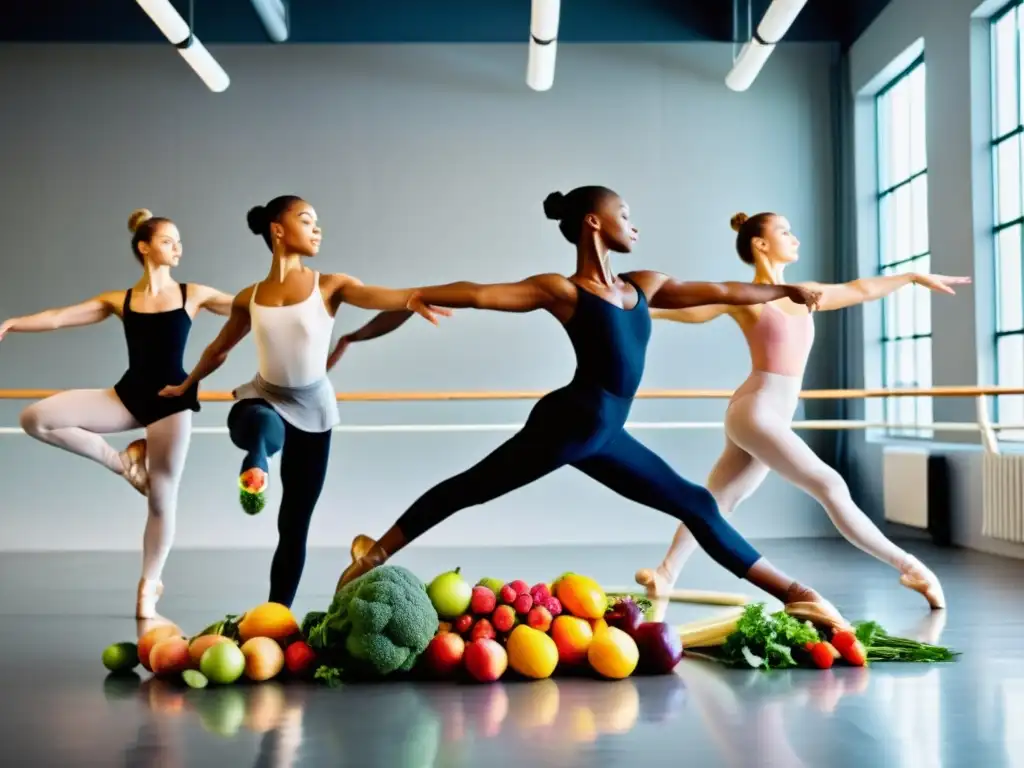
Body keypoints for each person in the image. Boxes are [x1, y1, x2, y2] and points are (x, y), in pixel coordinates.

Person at [334, 185, 851, 631]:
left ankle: (796, 596)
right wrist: (413, 296)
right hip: (567, 423)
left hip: (605, 432)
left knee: (696, 503)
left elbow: (719, 288)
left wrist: (782, 288)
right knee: (468, 489)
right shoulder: (561, 290)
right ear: (593, 222)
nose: (634, 226)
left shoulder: (642, 284)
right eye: (624, 215)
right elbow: (478, 292)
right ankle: (372, 556)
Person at [634, 211, 971, 610]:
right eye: (784, 232)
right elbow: (681, 311)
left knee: (716, 501)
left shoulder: (805, 293)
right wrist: (623, 305)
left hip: (768, 415)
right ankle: (911, 567)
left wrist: (911, 277)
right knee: (830, 486)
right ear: (760, 244)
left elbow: (860, 289)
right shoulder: (744, 297)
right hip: (754, 411)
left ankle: (665, 573)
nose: (795, 238)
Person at [159, 195, 448, 608]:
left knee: (293, 526)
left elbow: (378, 296)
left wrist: (411, 298)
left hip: (313, 412)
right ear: (277, 230)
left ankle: (276, 615)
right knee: (259, 418)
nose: (317, 229)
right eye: (307, 220)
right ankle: (257, 460)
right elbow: (218, 349)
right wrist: (187, 384)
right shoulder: (250, 297)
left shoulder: (330, 286)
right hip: (263, 398)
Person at [0, 209, 234, 618]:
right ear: (144, 247)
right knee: (34, 418)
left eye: (179, 241)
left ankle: (148, 587)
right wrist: (14, 322)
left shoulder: (191, 293)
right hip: (127, 395)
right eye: (168, 240)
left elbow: (249, 306)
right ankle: (125, 463)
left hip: (172, 400)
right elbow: (59, 318)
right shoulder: (120, 301)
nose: (177, 247)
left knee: (161, 499)